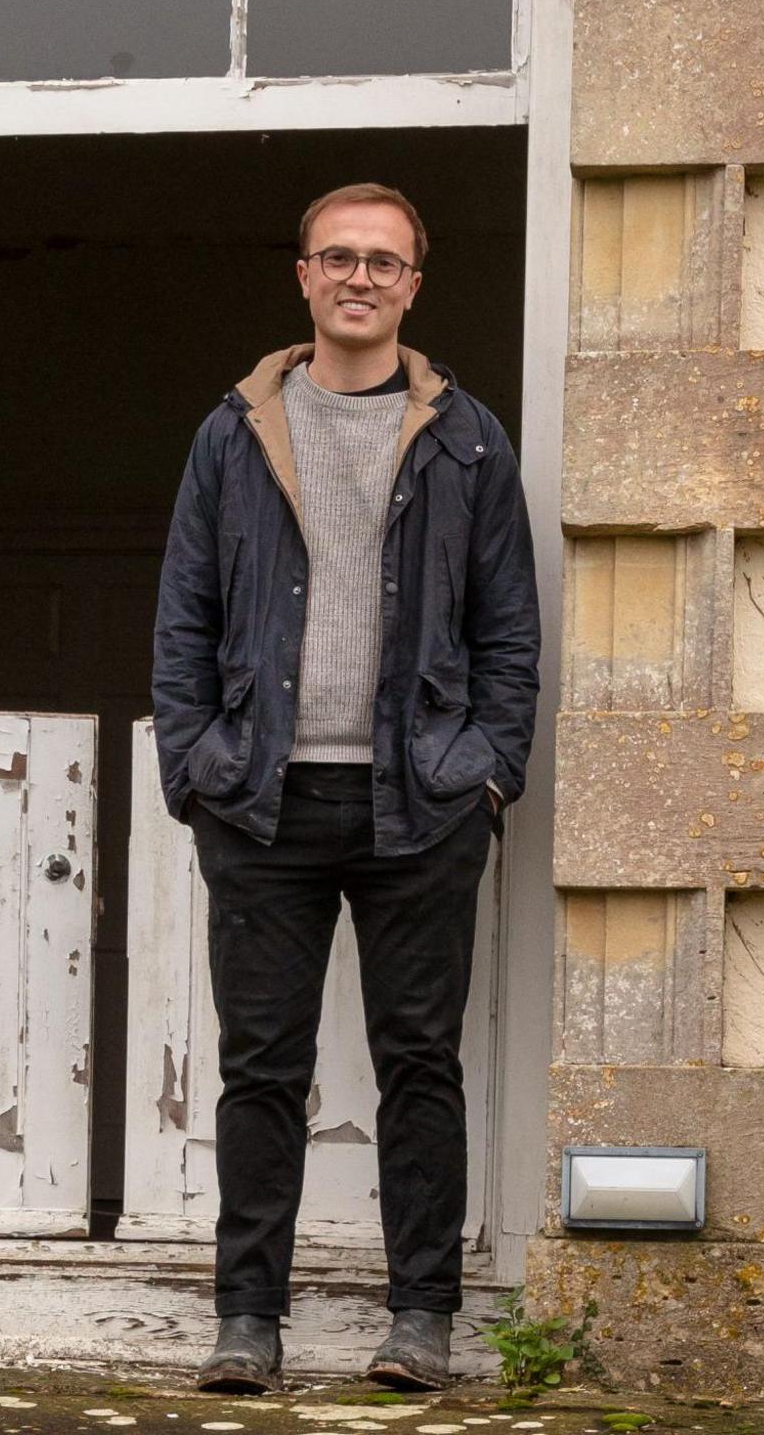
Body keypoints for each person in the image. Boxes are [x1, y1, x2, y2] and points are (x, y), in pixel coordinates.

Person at [149, 182, 542, 1394]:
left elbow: (508, 634)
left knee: (418, 1062)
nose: (359, 277)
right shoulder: (233, 432)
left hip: (417, 800)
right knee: (259, 1066)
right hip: (261, 799)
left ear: (414, 284)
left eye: (383, 260)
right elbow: (185, 618)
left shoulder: (466, 437)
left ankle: (420, 1317)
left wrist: (482, 770)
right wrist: (198, 765)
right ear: (304, 277)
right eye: (338, 257)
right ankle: (246, 1321)